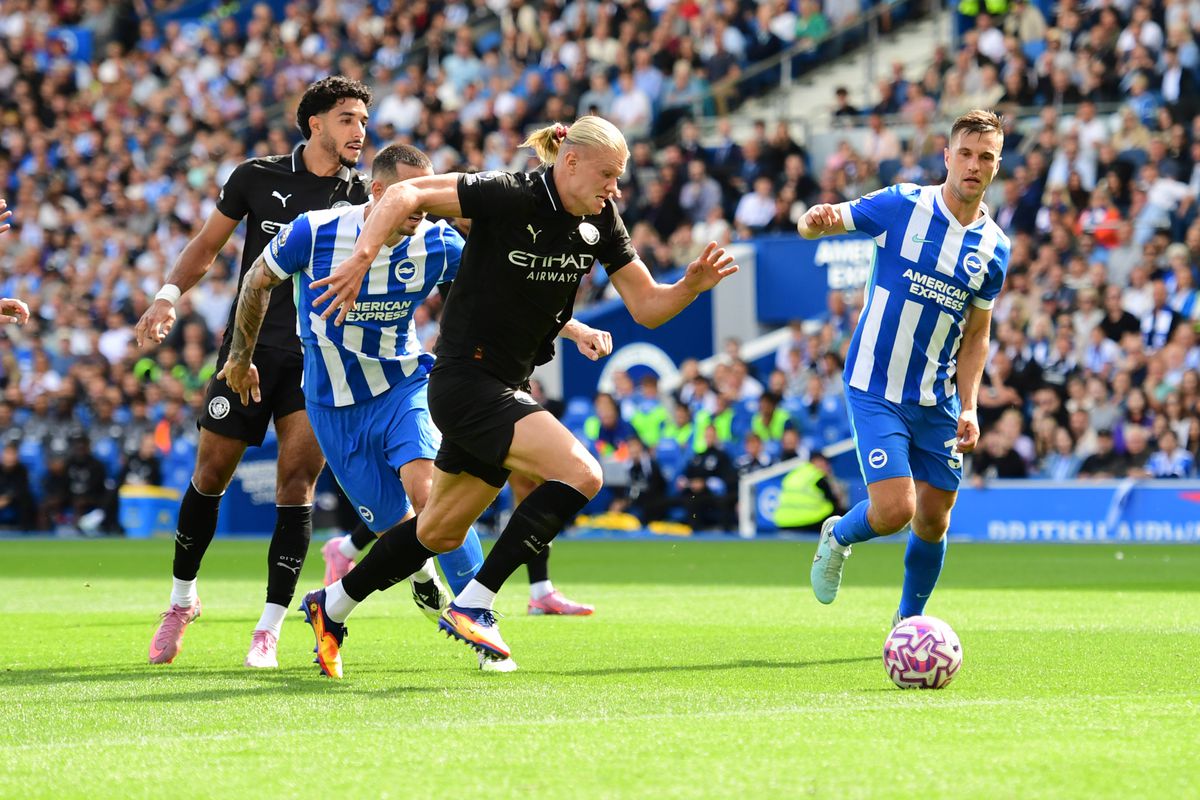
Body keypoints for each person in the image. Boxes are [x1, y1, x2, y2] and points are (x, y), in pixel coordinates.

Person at [296, 116, 738, 676]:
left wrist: (690, 287)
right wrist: (360, 258)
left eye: (620, 178)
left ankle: (331, 606)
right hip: (464, 381)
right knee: (583, 473)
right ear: (569, 162)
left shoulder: (601, 218)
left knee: (437, 530)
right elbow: (406, 191)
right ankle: (475, 603)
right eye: (608, 174)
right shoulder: (510, 193)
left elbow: (648, 306)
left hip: (503, 385)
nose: (616, 189)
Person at [136, 77, 375, 668]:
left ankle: (267, 628)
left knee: (297, 484)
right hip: (248, 351)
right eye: (348, 119)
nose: (360, 131)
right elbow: (208, 245)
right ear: (315, 123)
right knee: (211, 474)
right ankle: (181, 600)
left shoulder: (368, 196)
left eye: (364, 121)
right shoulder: (256, 176)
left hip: (317, 358)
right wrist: (168, 295)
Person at [797, 109, 1011, 626]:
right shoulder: (901, 205)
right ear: (947, 156)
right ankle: (839, 536)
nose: (973, 165)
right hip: (876, 385)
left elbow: (977, 334)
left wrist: (972, 406)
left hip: (938, 397)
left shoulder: (995, 249)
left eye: (986, 157)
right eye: (965, 153)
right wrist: (813, 221)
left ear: (997, 167)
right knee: (897, 510)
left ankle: (907, 622)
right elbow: (820, 221)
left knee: (935, 520)